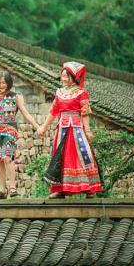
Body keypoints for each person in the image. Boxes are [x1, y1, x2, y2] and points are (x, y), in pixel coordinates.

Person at [36, 62, 102, 198]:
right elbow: (53, 111)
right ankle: (60, 190)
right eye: (62, 76)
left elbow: (85, 112)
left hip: (76, 129)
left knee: (83, 156)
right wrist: (44, 126)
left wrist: (88, 130)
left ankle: (88, 188)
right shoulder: (59, 92)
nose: (63, 79)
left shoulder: (82, 92)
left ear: (73, 77)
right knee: (61, 157)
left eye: (66, 76)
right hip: (62, 129)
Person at [0, 71, 39, 199]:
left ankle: (12, 187)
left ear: (9, 83)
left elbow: (25, 113)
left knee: (6, 156)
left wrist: (38, 127)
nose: (1, 85)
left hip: (10, 130)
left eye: (4, 82)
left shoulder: (16, 96)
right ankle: (2, 191)